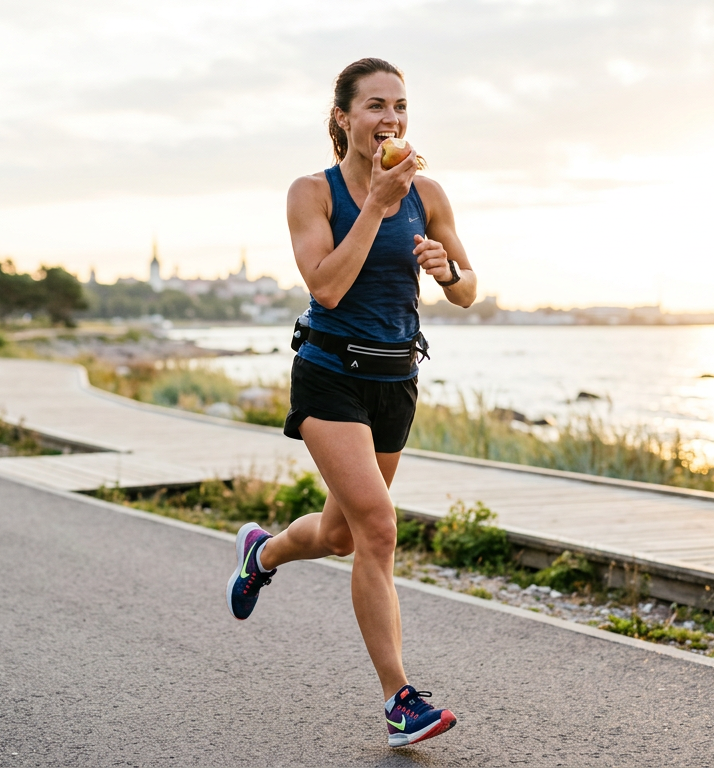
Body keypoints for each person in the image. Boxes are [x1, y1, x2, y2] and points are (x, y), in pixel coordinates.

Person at [227, 57, 477, 748]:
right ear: (344, 117)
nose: (390, 119)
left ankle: (261, 555)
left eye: (400, 106)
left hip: (396, 380)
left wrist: (447, 271)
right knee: (379, 528)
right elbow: (328, 287)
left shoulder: (427, 192)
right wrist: (375, 205)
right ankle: (401, 702)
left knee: (341, 536)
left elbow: (468, 290)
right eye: (375, 106)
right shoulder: (313, 193)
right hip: (330, 373)